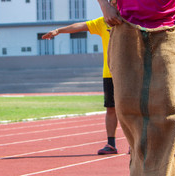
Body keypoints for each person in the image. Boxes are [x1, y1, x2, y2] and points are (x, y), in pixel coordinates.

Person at [97, 0, 175, 176]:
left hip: (169, 28)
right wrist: (105, 6)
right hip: (126, 27)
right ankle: (144, 171)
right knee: (125, 105)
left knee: (171, 105)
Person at [42, 16, 119, 155]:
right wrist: (58, 31)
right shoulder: (103, 22)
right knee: (111, 109)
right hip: (109, 73)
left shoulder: (132, 20)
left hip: (130, 74)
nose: (114, 4)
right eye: (111, 2)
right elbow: (79, 26)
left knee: (132, 110)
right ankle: (111, 144)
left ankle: (135, 144)